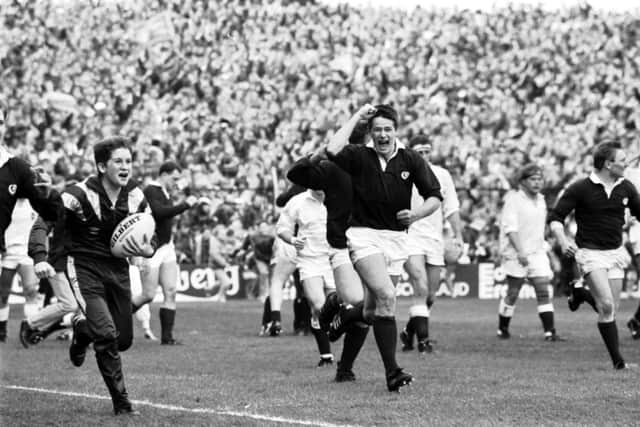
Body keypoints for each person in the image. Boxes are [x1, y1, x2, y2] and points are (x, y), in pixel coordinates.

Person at [326, 104, 442, 391]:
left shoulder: (410, 159)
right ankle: (393, 373)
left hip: (397, 239)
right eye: (376, 129)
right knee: (388, 297)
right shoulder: (359, 155)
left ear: (395, 131)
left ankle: (345, 314)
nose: (382, 135)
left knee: (370, 311)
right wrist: (355, 118)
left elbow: (434, 197)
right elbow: (332, 148)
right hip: (364, 236)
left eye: (387, 129)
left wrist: (416, 214)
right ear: (370, 132)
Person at [62, 136, 155, 415]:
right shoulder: (77, 193)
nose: (126, 166)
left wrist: (148, 248)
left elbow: (152, 233)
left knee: (122, 340)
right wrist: (41, 256)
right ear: (102, 167)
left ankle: (82, 332)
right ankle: (122, 404)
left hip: (117, 270)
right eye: (119, 161)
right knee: (106, 334)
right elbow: (46, 221)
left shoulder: (136, 195)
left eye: (128, 161)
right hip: (84, 266)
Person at [286, 121, 372, 382]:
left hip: (374, 243)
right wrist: (320, 154)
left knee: (369, 309)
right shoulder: (332, 168)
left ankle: (345, 365)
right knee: (361, 305)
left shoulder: (377, 169)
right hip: (337, 248)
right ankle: (336, 318)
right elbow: (296, 174)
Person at [548, 141, 638, 370]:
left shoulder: (626, 187)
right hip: (590, 253)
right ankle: (619, 363)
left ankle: (579, 292)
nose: (627, 162)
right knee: (606, 305)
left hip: (616, 253)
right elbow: (556, 217)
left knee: (610, 309)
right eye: (622, 159)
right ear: (608, 164)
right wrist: (562, 240)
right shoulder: (580, 188)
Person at [0, 102, 60, 342]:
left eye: (0, 122)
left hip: (13, 251)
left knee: (29, 290)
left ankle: (30, 328)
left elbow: (48, 212)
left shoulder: (16, 168)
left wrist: (49, 192)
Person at [399, 135, 464, 354]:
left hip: (435, 239)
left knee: (430, 295)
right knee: (421, 285)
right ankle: (424, 342)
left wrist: (458, 236)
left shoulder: (442, 175)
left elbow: (452, 207)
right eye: (419, 151)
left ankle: (409, 332)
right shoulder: (402, 172)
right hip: (409, 236)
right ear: (411, 152)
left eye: (427, 151)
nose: (424, 155)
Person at [130, 161, 198, 345]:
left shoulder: (165, 192)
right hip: (152, 248)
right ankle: (116, 319)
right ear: (164, 174)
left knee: (171, 290)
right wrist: (185, 205)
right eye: (174, 178)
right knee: (148, 294)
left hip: (167, 246)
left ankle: (167, 338)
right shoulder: (152, 190)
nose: (176, 182)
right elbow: (159, 213)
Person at [495, 163, 563, 341]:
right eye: (533, 179)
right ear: (522, 182)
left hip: (537, 253)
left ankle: (550, 332)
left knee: (543, 290)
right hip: (516, 254)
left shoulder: (541, 200)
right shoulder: (513, 200)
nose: (537, 182)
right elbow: (510, 229)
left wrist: (548, 251)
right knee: (513, 293)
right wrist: (520, 252)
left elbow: (539, 230)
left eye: (540, 179)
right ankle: (502, 328)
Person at [276, 189, 335, 366]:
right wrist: (292, 240)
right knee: (318, 305)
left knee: (339, 307)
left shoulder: (341, 194)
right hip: (310, 260)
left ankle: (339, 344)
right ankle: (326, 356)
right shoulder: (297, 201)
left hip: (336, 258)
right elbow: (282, 228)